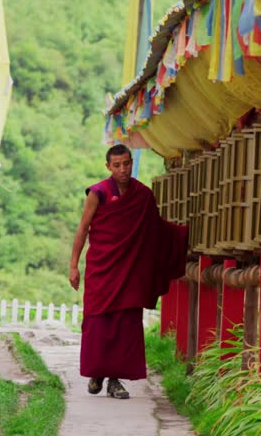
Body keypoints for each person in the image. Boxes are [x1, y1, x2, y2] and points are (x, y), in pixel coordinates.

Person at [69, 144, 187, 399]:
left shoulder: (142, 195)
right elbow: (82, 230)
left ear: (132, 163)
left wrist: (181, 235)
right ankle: (96, 373)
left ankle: (115, 381)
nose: (123, 169)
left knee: (125, 325)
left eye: (126, 163)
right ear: (108, 167)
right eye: (117, 165)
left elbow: (154, 230)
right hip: (102, 269)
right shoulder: (97, 194)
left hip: (129, 271)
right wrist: (73, 265)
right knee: (97, 323)